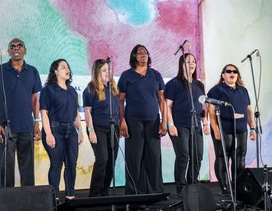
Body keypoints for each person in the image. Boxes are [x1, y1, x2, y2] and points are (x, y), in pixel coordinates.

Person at [0, 38, 42, 188]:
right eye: (12, 46)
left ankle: (28, 200)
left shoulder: (32, 71)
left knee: (27, 170)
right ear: (9, 51)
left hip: (26, 126)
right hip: (6, 127)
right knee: (5, 169)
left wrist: (37, 122)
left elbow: (35, 99)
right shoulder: (0, 70)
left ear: (25, 50)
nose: (16, 48)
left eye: (19, 46)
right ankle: (4, 201)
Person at [118, 44, 167, 195]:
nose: (143, 54)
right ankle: (134, 192)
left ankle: (155, 190)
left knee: (153, 156)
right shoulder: (127, 75)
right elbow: (120, 100)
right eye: (139, 53)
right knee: (134, 157)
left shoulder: (155, 75)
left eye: (145, 52)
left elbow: (162, 100)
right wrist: (122, 121)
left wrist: (164, 121)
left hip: (153, 120)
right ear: (134, 57)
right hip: (133, 121)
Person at [165, 53, 210, 196]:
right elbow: (168, 106)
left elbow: (203, 106)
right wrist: (170, 124)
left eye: (194, 61)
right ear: (181, 64)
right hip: (179, 125)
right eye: (188, 61)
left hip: (196, 125)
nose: (192, 64)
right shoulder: (173, 84)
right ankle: (181, 188)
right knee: (183, 156)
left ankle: (192, 185)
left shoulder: (199, 85)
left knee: (198, 156)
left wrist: (205, 123)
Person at [208, 64, 256, 195]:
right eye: (228, 71)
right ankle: (225, 188)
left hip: (241, 129)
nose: (232, 73)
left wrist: (252, 128)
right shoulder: (216, 90)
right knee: (223, 157)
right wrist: (215, 129)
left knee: (240, 158)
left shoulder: (243, 90)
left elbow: (249, 110)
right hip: (224, 129)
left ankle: (237, 187)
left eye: (235, 71)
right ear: (223, 75)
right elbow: (211, 112)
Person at [40, 59, 84, 202]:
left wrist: (80, 131)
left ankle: (70, 195)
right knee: (56, 164)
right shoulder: (48, 90)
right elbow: (44, 113)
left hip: (71, 130)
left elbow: (76, 112)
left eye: (68, 67)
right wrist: (48, 134)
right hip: (54, 129)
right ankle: (54, 198)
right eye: (63, 67)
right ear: (56, 71)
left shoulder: (72, 90)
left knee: (71, 164)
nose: (67, 69)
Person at [83, 59, 120, 197]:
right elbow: (87, 111)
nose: (107, 73)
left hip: (113, 128)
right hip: (98, 128)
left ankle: (104, 192)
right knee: (102, 159)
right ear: (97, 72)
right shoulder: (91, 88)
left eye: (108, 70)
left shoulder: (113, 88)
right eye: (104, 70)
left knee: (111, 161)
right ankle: (94, 193)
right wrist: (91, 130)